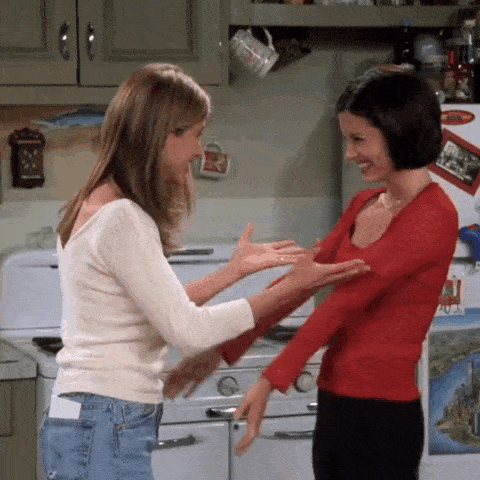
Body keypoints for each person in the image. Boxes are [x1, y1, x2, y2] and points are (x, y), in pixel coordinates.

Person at [38, 63, 369, 480]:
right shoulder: (123, 218)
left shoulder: (91, 205)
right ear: (162, 133)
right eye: (195, 133)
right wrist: (289, 288)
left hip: (83, 414)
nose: (199, 150)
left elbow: (157, 311)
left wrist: (233, 271)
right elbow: (187, 330)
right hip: (106, 418)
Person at [165, 70, 459, 480]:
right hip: (336, 405)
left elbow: (342, 304)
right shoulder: (363, 204)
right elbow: (297, 287)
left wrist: (270, 380)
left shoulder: (433, 216)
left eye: (359, 139)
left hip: (384, 418)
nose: (349, 154)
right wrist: (220, 350)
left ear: (400, 133)